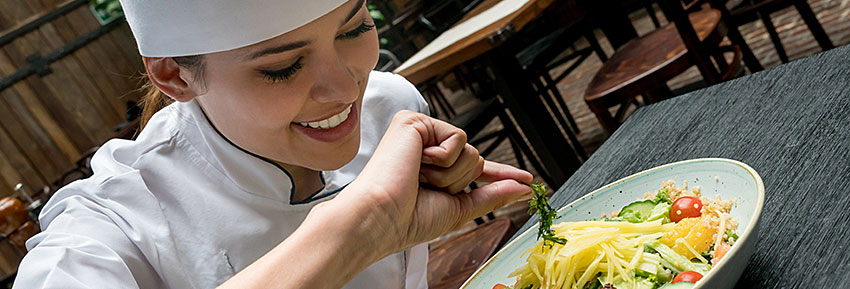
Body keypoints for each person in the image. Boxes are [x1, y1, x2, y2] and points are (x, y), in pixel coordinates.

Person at [13, 0, 534, 288]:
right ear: (175, 75)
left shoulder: (388, 107)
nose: (346, 88)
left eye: (355, 28)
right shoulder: (121, 218)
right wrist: (364, 227)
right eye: (283, 67)